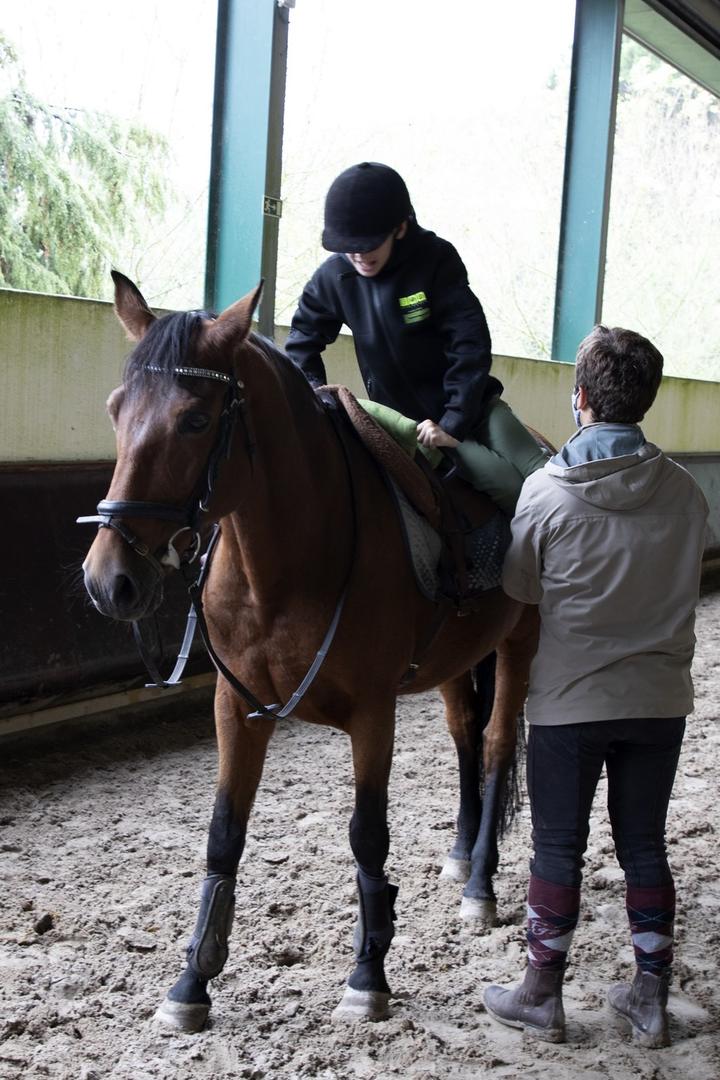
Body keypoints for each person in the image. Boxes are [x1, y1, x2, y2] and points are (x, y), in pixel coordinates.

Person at [483, 326, 708, 1047]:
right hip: (658, 700)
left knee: (558, 846)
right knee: (644, 845)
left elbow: (520, 586)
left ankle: (541, 993)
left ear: (579, 398)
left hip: (570, 703)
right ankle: (649, 998)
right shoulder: (685, 491)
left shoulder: (544, 493)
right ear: (644, 400)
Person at [285, 161, 547, 515]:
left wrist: (454, 420)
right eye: (349, 246)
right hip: (419, 429)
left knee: (546, 480)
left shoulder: (436, 260)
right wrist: (313, 400)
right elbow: (302, 340)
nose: (359, 255)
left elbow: (469, 343)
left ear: (400, 227)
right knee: (511, 488)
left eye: (369, 243)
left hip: (475, 405)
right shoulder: (334, 279)